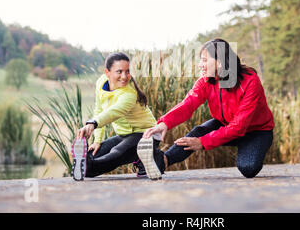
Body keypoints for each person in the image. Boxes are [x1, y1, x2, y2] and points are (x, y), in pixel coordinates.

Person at [138, 38, 274, 179]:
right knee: (199, 132)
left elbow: (238, 127)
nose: (200, 65)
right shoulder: (206, 80)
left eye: (204, 60)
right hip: (226, 124)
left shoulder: (250, 81)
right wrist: (164, 123)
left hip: (256, 131)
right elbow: (188, 104)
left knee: (248, 168)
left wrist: (202, 142)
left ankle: (251, 149)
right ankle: (162, 161)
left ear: (219, 62)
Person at [72, 52, 159, 180]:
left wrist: (93, 123)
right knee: (89, 170)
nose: (124, 76)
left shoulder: (129, 93)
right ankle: (86, 165)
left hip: (146, 135)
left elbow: (114, 111)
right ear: (107, 73)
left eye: (127, 71)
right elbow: (99, 110)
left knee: (117, 151)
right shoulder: (101, 83)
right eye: (119, 71)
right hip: (124, 135)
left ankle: (153, 155)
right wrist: (97, 141)